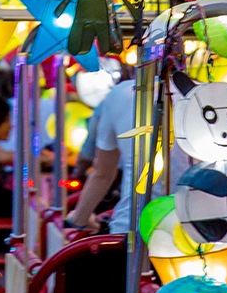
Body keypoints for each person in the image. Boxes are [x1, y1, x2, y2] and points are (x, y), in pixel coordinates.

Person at [67, 76, 189, 234]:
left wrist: (79, 220)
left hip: (132, 227)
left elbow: (102, 174)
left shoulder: (120, 94)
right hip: (196, 230)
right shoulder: (205, 96)